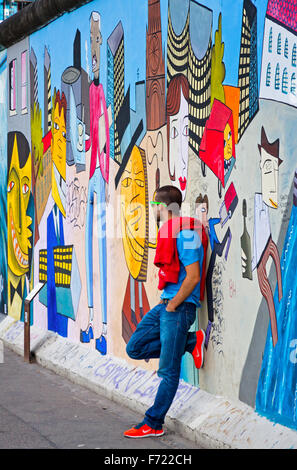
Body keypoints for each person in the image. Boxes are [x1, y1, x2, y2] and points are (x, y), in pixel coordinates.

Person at [123, 185, 206, 438]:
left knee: (168, 371)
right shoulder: (171, 231)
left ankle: (153, 422)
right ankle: (192, 341)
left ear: (161, 207)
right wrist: (166, 304)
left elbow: (192, 277)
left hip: (178, 309)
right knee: (134, 347)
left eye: (153, 205)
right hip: (166, 305)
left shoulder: (186, 234)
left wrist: (172, 305)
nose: (151, 210)